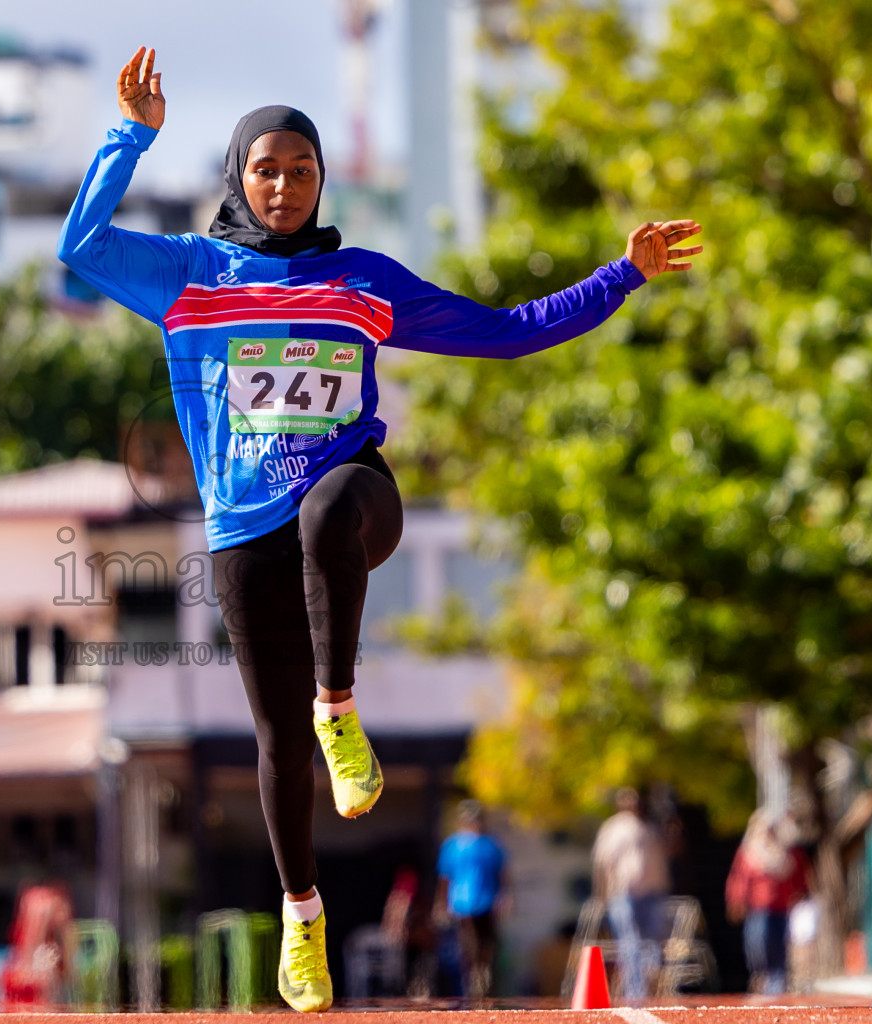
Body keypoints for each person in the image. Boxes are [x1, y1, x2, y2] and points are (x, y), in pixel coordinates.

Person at [58, 46, 701, 1013]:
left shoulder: (361, 277)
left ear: (323, 181)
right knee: (274, 746)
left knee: (327, 516)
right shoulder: (188, 275)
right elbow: (80, 246)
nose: (283, 186)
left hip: (356, 500)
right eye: (265, 170)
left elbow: (508, 328)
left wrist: (622, 275)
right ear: (239, 177)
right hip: (241, 531)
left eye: (301, 171)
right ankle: (301, 915)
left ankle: (340, 704)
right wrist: (131, 137)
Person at [592, 788, 671, 1000]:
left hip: (651, 892)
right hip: (623, 891)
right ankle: (635, 989)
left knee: (652, 941)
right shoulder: (613, 828)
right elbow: (602, 861)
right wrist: (602, 892)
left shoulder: (648, 828)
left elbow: (659, 862)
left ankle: (651, 984)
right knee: (629, 941)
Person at [727, 810, 811, 995]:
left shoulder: (785, 854)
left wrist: (801, 893)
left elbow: (798, 877)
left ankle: (777, 986)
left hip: (781, 910)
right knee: (757, 947)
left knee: (778, 948)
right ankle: (761, 979)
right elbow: (740, 879)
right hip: (758, 911)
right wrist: (736, 900)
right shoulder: (749, 853)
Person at [434, 800, 510, 998]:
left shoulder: (490, 845)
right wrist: (441, 903)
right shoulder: (452, 846)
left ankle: (484, 984)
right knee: (468, 946)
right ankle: (471, 987)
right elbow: (444, 877)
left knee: (487, 945)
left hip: (486, 902)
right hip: (461, 903)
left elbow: (502, 874)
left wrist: (505, 897)